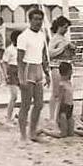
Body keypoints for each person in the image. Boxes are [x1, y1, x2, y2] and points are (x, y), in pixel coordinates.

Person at [17, 8, 49, 143]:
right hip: (27, 68)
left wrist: (46, 73)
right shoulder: (23, 36)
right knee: (25, 104)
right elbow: (19, 59)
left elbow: (43, 55)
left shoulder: (42, 35)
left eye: (40, 19)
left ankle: (32, 132)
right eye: (35, 19)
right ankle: (23, 134)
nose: (38, 22)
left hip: (38, 69)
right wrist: (21, 78)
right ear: (30, 20)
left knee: (39, 104)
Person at [46, 16, 74, 129]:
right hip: (57, 67)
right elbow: (50, 53)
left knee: (64, 93)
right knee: (56, 92)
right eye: (64, 27)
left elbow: (69, 54)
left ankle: (61, 116)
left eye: (67, 27)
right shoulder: (55, 38)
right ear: (59, 26)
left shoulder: (64, 38)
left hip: (66, 67)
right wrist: (63, 47)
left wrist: (72, 49)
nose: (66, 29)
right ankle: (52, 117)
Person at [43, 62, 76, 138]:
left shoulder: (69, 83)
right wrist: (57, 116)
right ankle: (44, 131)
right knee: (63, 134)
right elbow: (60, 101)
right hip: (63, 110)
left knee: (71, 133)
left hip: (70, 108)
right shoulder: (61, 85)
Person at [2, 29, 21, 127]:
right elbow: (4, 63)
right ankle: (8, 118)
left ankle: (21, 115)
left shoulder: (23, 48)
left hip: (21, 71)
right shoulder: (9, 49)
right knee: (14, 96)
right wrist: (5, 75)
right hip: (12, 71)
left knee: (27, 95)